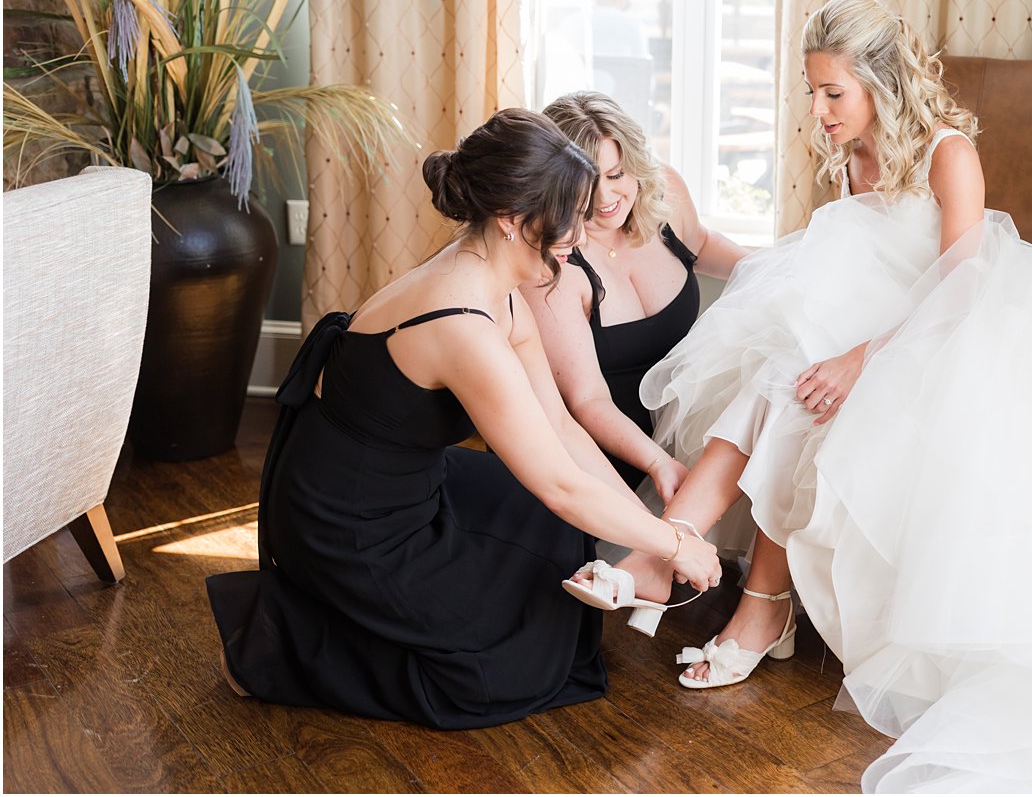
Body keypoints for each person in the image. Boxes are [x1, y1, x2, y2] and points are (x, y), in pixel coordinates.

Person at [565, 0, 1032, 791]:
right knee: (782, 373)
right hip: (881, 325)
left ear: (879, 80)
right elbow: (855, 265)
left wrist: (857, 360)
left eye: (833, 92)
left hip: (959, 336)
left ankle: (698, 574)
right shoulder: (850, 157)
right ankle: (719, 582)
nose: (819, 109)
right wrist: (831, 343)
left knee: (792, 383)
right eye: (812, 91)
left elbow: (959, 287)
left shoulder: (948, 152)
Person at [205, 108, 720, 729]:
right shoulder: (460, 322)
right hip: (347, 522)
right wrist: (673, 542)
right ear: (511, 221)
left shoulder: (498, 277)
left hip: (408, 478)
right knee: (508, 666)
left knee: (560, 555)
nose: (579, 238)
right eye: (567, 221)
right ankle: (281, 643)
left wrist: (656, 534)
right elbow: (559, 483)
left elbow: (560, 429)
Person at [524, 91, 748, 506]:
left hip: (684, 428)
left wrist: (781, 268)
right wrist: (658, 463)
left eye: (616, 175)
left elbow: (699, 243)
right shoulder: (550, 266)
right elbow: (586, 401)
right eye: (586, 184)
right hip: (609, 460)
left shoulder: (664, 193)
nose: (606, 199)